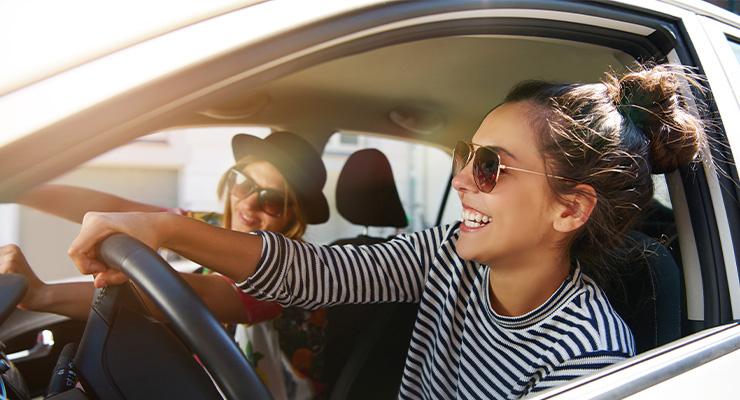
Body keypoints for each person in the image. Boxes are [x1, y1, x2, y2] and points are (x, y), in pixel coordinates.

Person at [67, 64, 709, 399]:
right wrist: (159, 228)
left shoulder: (587, 356)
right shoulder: (447, 256)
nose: (461, 180)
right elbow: (313, 273)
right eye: (464, 154)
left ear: (569, 210)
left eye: (489, 166)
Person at [1, 131, 331, 400]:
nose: (247, 204)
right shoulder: (213, 225)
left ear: (293, 217)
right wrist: (21, 188)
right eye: (243, 184)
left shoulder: (292, 268)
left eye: (271, 200)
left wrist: (42, 293)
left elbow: (194, 294)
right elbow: (117, 210)